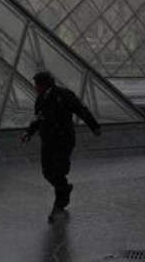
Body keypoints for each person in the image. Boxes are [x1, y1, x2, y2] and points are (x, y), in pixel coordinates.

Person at [20, 71, 102, 222]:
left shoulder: (64, 95)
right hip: (48, 141)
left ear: (44, 85)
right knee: (47, 172)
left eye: (37, 85)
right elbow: (37, 119)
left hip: (63, 140)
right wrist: (28, 132)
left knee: (58, 170)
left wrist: (94, 126)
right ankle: (64, 189)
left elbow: (81, 110)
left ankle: (59, 204)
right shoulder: (40, 99)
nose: (35, 88)